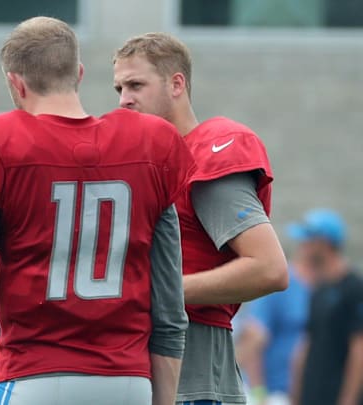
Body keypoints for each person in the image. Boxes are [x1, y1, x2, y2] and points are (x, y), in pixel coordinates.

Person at [0, 17, 197, 405]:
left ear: (15, 83)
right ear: (78, 73)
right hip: (128, 381)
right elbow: (170, 308)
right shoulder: (150, 142)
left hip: (35, 375)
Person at [112, 33, 289, 405]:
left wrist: (156, 292)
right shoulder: (149, 163)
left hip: (194, 372)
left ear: (177, 84)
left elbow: (269, 268)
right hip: (137, 364)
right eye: (119, 88)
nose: (124, 99)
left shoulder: (206, 153)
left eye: (136, 85)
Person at [288, 209, 363, 405]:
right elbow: (307, 342)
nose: (302, 246)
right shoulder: (318, 290)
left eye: (307, 240)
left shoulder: (354, 289)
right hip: (312, 396)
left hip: (335, 395)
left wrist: (348, 399)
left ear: (324, 243)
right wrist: (295, 393)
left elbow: (359, 348)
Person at [236, 244, 311, 405]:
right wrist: (259, 393)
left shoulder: (320, 287)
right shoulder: (279, 285)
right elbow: (254, 337)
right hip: (273, 395)